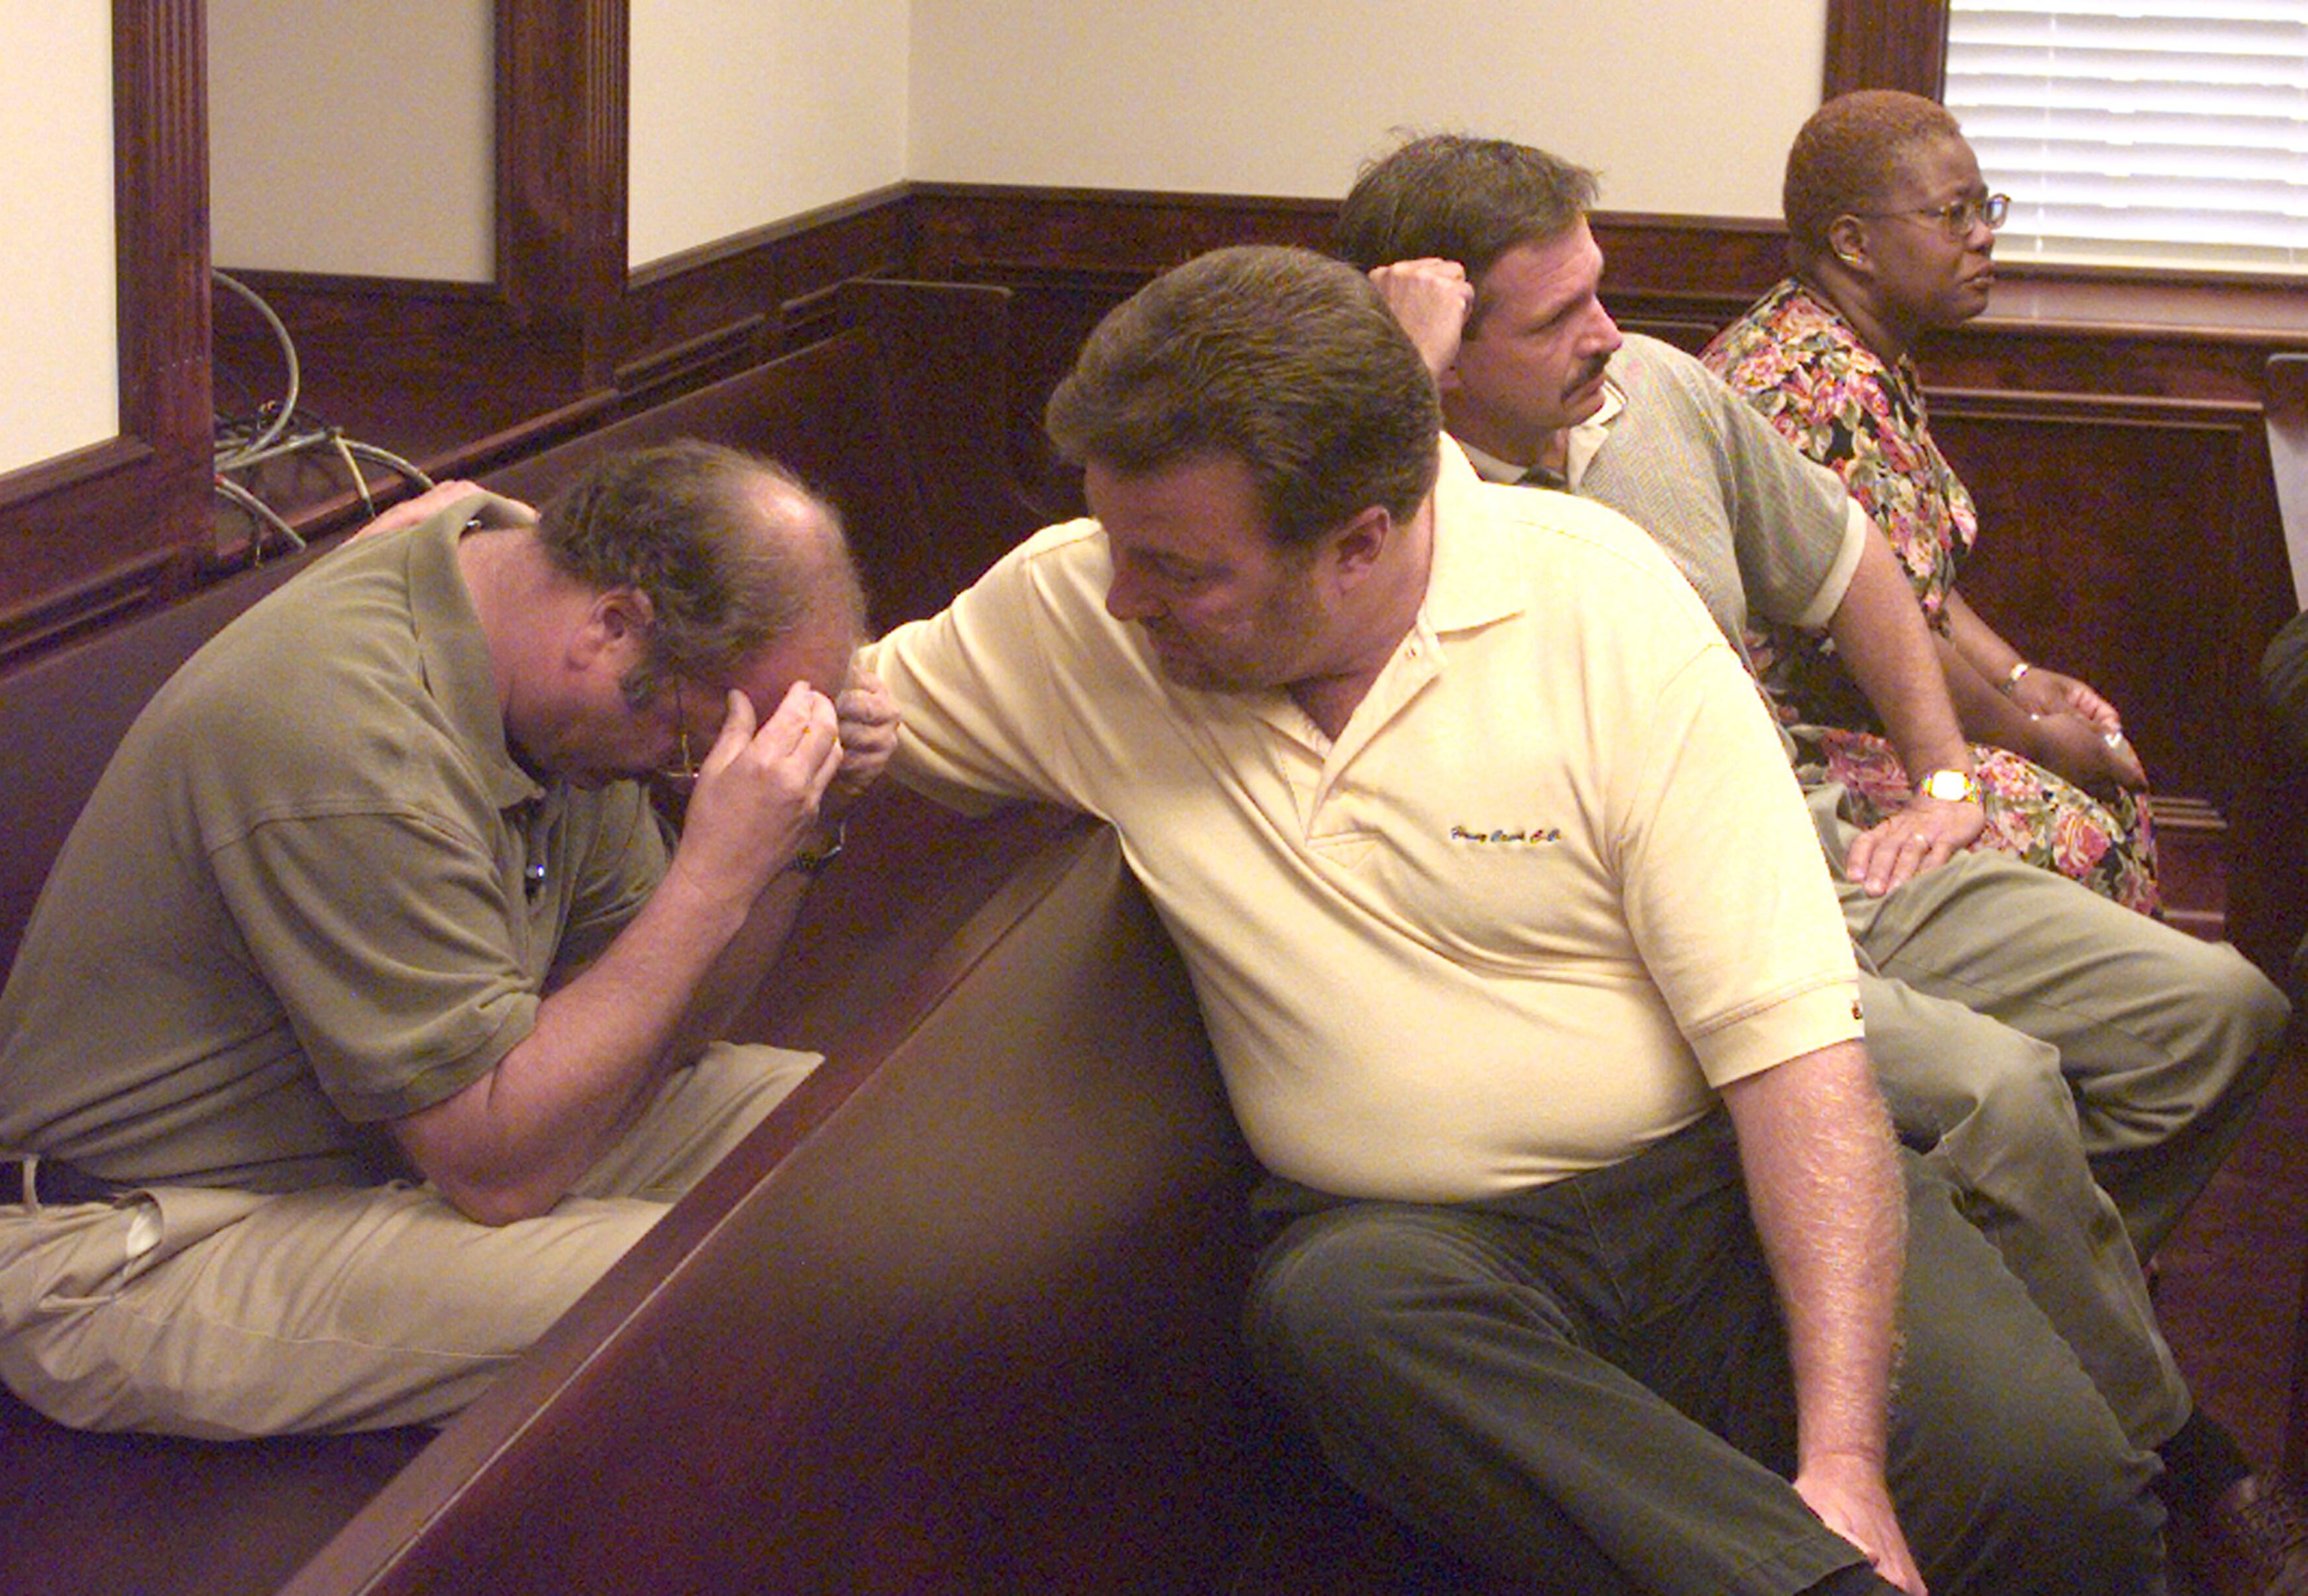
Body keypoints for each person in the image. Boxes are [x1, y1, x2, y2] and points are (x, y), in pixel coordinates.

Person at [867, 241, 2160, 1596]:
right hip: (1429, 1254)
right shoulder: (1085, 607)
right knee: (1334, 1312)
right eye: (1120, 547)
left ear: (1363, 540)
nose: (1122, 595)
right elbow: (841, 707)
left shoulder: (1604, 610)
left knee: (2058, 1491)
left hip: (1702, 1185)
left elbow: (1794, 1062)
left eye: (1180, 572)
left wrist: (1845, 1460)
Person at [1330, 132, 2299, 1596]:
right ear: (1444, 351)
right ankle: (2168, 1434)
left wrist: (1948, 775)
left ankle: (2016, 1320)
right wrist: (1383, 398)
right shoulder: (1380, 517)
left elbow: (1855, 566)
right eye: (1554, 320)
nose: (1609, 334)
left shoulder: (1657, 390)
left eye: (1602, 292)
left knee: (2216, 1017)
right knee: (2007, 1095)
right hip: (1657, 922)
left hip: (1819, 831)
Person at [0, 441, 894, 1438]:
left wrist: (801, 832)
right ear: (614, 628)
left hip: (390, 1153)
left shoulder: (547, 661)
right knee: (741, 1277)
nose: (693, 767)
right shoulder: (350, 736)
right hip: (143, 1244)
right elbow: (498, 1171)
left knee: (861, 1148)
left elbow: (663, 1027)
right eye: (703, 740)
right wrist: (711, 880)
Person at [1698, 89, 2158, 915]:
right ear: (1853, 243)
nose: (1983, 235)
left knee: (2097, 787)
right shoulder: (1818, 385)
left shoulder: (1864, 345)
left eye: (1985, 208)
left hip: (1876, 704)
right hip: (1786, 745)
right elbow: (1884, 626)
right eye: (1952, 215)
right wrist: (2034, 738)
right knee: (2087, 825)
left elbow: (1915, 587)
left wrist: (2024, 677)